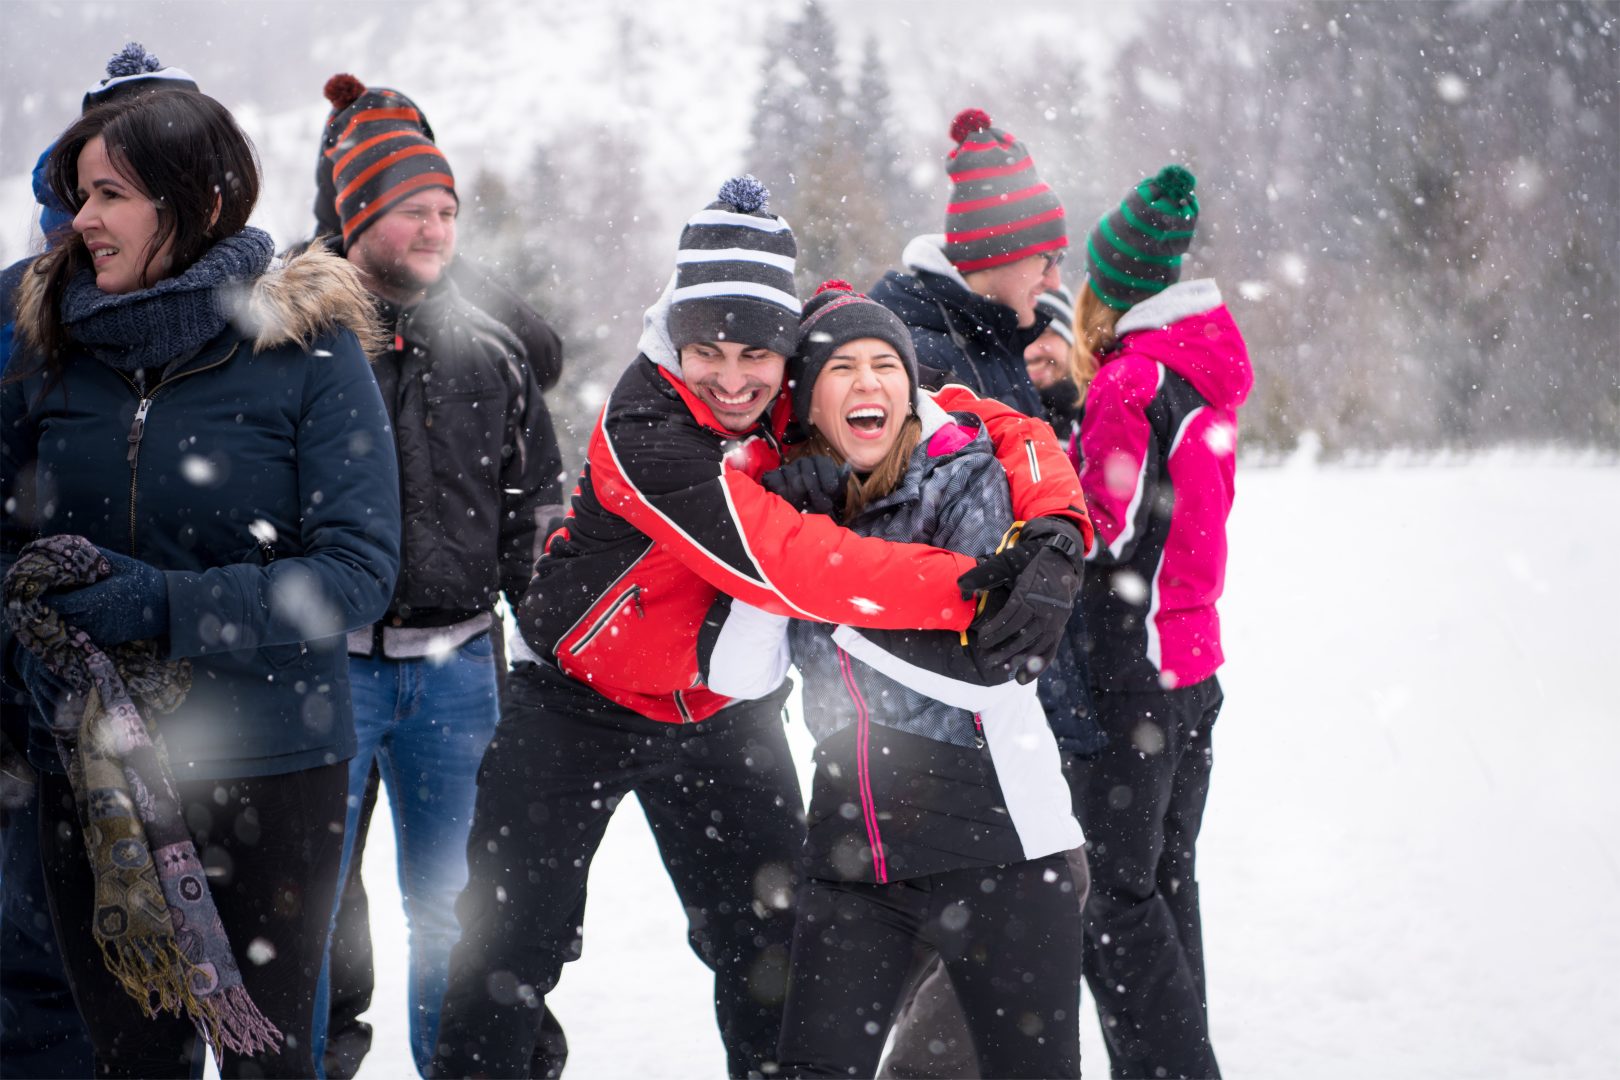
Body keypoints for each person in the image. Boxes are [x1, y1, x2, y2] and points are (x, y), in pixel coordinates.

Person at [429, 177, 1091, 1079]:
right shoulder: (646, 427)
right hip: (577, 704)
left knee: (770, 953)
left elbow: (983, 416)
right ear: (676, 339)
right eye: (708, 351)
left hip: (720, 711)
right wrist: (984, 586)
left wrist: (1056, 528)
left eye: (755, 355)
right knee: (509, 951)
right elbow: (797, 567)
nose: (734, 379)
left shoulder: (795, 373)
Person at [0, 89, 400, 1077]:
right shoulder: (49, 350)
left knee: (267, 1062)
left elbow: (358, 573)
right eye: (77, 195)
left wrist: (164, 607)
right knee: (134, 1063)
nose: (81, 219)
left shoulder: (307, 350)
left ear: (201, 199)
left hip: (271, 767)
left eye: (110, 194)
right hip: (87, 771)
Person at [705, 282, 1087, 1079]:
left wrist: (817, 573)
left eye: (887, 364)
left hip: (1003, 846)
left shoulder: (968, 479)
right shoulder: (797, 515)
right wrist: (775, 545)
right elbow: (740, 676)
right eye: (842, 368)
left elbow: (985, 666)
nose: (870, 382)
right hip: (853, 854)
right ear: (809, 402)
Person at [298, 73, 565, 1080]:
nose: (438, 227)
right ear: (359, 214)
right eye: (414, 209)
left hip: (460, 672)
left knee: (457, 911)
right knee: (311, 912)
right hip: (325, 667)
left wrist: (549, 644)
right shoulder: (298, 340)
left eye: (448, 209)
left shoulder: (488, 351)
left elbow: (537, 512)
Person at [870, 109, 1101, 1080]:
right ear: (997, 256)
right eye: (1046, 260)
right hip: (936, 706)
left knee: (991, 919)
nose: (1057, 281)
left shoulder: (992, 334)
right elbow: (895, 525)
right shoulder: (921, 350)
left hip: (998, 692)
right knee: (987, 916)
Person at [1074, 165, 1252, 1080]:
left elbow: (1099, 525)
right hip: (1193, 669)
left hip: (1128, 679)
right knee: (1164, 887)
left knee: (1111, 905)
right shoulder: (1200, 371)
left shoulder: (1130, 383)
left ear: (1109, 289)